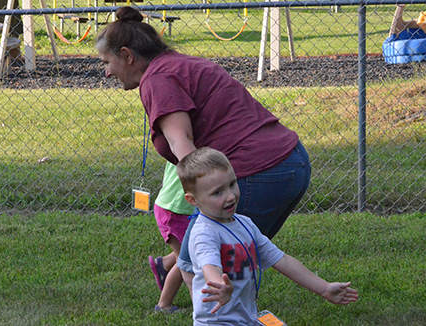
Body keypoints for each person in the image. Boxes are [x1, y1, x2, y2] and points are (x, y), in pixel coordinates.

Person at [96, 6, 311, 295]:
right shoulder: (177, 64)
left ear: (127, 55)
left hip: (258, 172)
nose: (107, 72)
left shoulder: (157, 79)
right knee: (232, 256)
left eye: (107, 62)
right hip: (291, 161)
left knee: (211, 267)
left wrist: (200, 199)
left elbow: (182, 144)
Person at [176, 147, 358, 325]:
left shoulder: (244, 223)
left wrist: (324, 288)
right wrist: (219, 285)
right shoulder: (204, 232)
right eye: (217, 192)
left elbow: (282, 260)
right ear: (192, 200)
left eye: (232, 184)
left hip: (246, 317)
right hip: (217, 322)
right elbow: (209, 264)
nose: (230, 196)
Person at [149, 162, 193, 312]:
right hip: (175, 211)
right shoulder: (186, 143)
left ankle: (166, 263)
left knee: (188, 255)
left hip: (182, 209)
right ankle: (164, 305)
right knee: (188, 262)